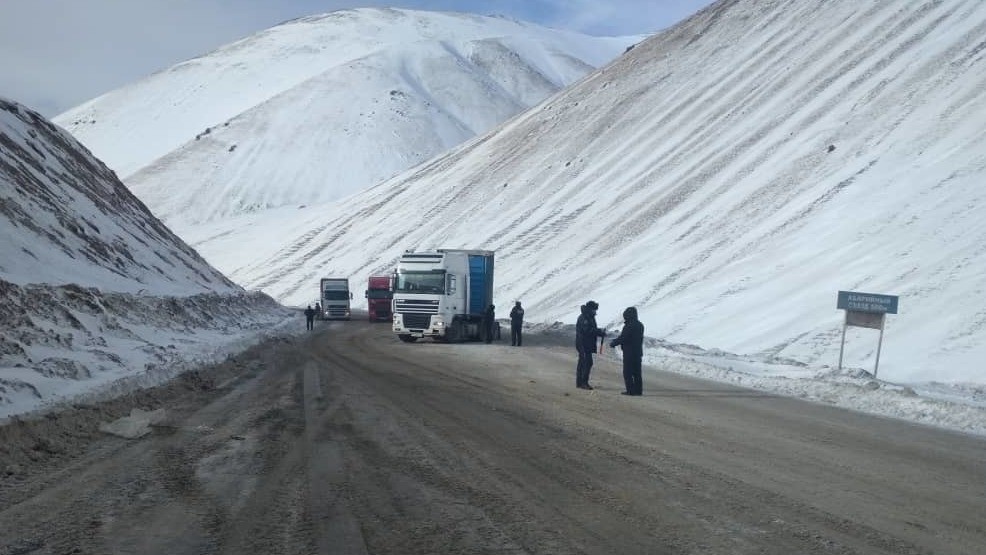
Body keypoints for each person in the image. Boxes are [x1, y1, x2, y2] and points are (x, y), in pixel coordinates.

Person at [610, 306, 644, 395]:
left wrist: (613, 343)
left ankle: (630, 390)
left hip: (629, 352)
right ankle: (638, 390)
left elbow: (623, 338)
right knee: (637, 372)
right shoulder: (640, 325)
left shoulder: (629, 326)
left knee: (627, 372)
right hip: (638, 352)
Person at [575, 301, 605, 390]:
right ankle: (583, 383)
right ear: (590, 309)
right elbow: (587, 330)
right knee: (587, 362)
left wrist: (599, 332)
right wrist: (599, 332)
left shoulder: (589, 317)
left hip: (586, 343)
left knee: (582, 362)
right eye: (594, 310)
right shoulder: (584, 318)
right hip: (583, 344)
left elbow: (592, 329)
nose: (595, 312)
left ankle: (580, 382)